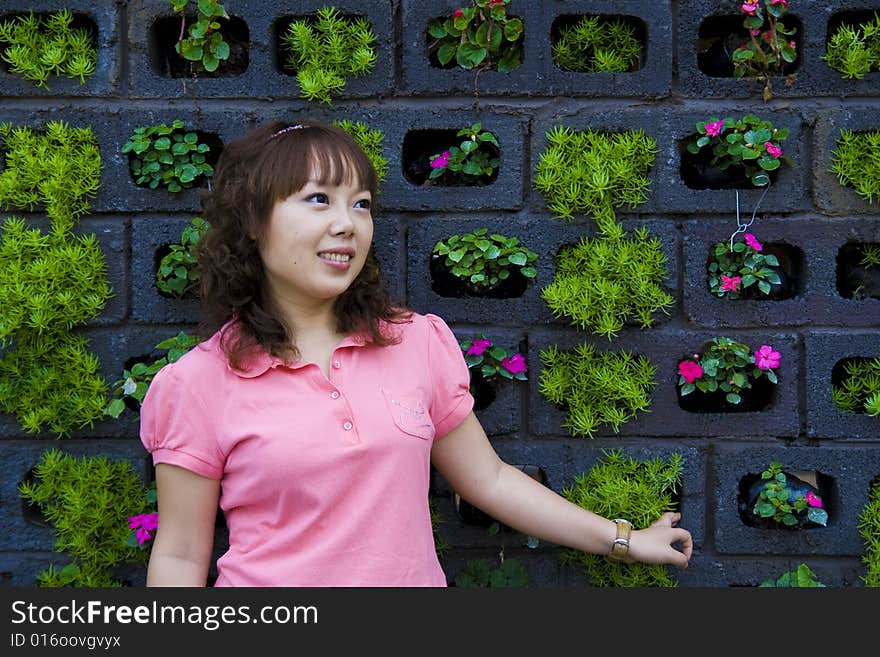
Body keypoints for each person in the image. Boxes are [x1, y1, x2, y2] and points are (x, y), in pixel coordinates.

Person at [139, 119, 693, 587]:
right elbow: (182, 554)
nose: (346, 224)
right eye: (318, 200)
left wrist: (624, 539)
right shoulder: (198, 384)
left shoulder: (415, 343)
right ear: (254, 222)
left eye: (360, 204)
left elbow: (490, 480)